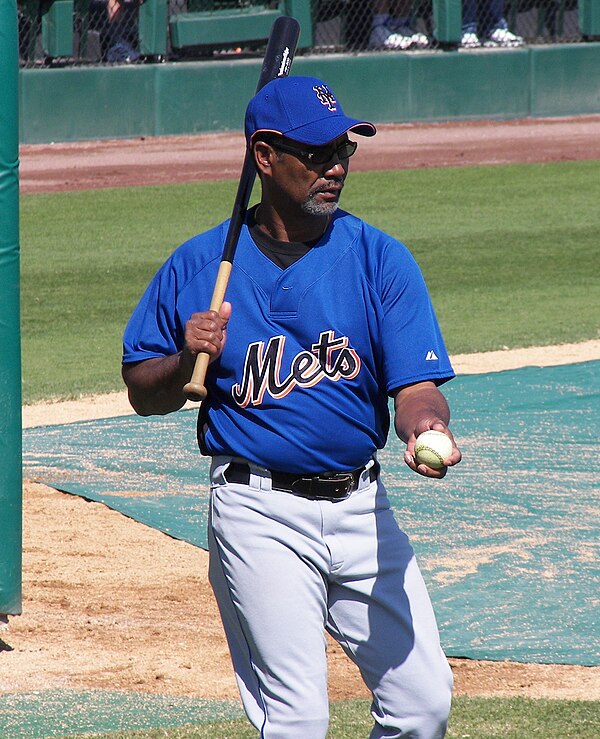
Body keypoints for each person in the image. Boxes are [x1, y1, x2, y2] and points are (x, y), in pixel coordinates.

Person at [122, 75, 462, 738]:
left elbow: (416, 388)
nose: (335, 164)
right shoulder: (201, 266)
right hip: (259, 512)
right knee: (298, 719)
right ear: (265, 156)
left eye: (344, 149)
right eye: (317, 151)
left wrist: (427, 422)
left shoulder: (378, 257)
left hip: (363, 507)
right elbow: (143, 389)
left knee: (423, 704)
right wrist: (185, 353)